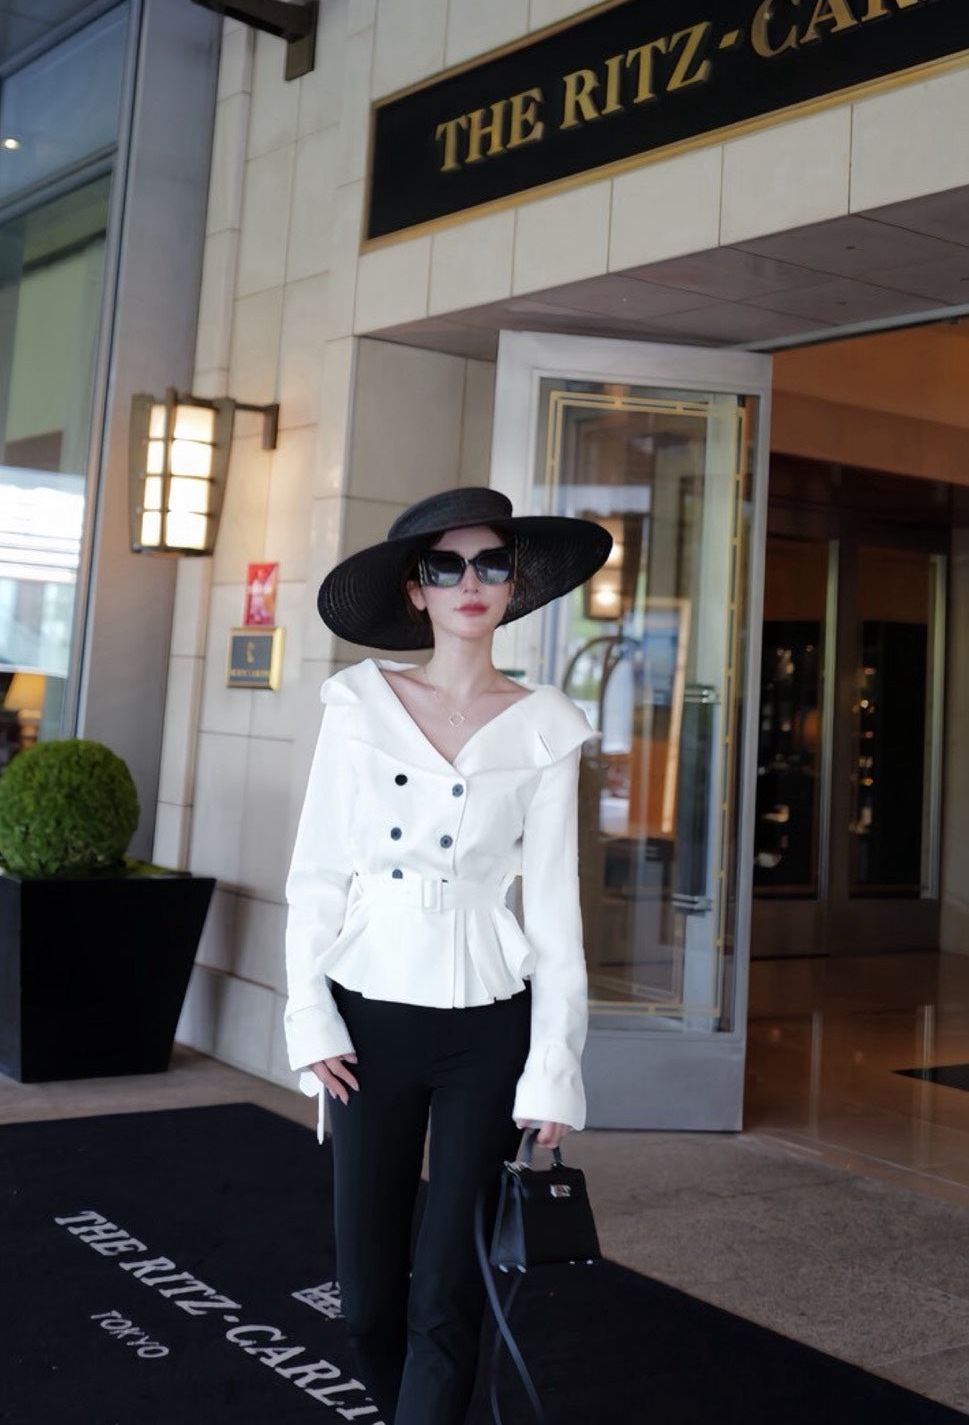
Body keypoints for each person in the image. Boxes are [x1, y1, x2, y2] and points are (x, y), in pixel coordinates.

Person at [282, 484, 612, 1425]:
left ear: (513, 586)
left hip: (489, 1025)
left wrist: (555, 1068)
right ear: (416, 589)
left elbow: (556, 914)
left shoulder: (545, 724)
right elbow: (316, 876)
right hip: (367, 1018)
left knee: (448, 1296)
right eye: (447, 565)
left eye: (492, 563)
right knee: (367, 1300)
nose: (472, 581)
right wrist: (309, 1014)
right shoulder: (358, 704)